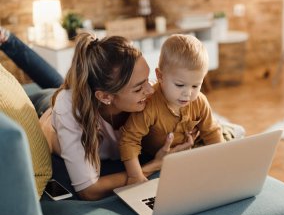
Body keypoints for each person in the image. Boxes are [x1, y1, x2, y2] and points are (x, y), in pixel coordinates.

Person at [45, 32, 196, 201]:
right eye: (138, 88)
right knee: (51, 88)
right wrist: (154, 165)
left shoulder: (148, 98)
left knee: (57, 84)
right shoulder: (69, 110)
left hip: (84, 95)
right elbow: (89, 190)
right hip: (53, 119)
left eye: (148, 79)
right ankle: (11, 41)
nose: (151, 90)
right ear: (105, 97)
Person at [119, 34, 224, 184]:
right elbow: (128, 140)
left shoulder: (200, 101)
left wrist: (221, 162)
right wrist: (135, 176)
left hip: (190, 149)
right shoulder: (148, 105)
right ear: (160, 76)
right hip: (156, 157)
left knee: (225, 137)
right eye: (180, 85)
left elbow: (211, 132)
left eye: (195, 85)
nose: (188, 93)